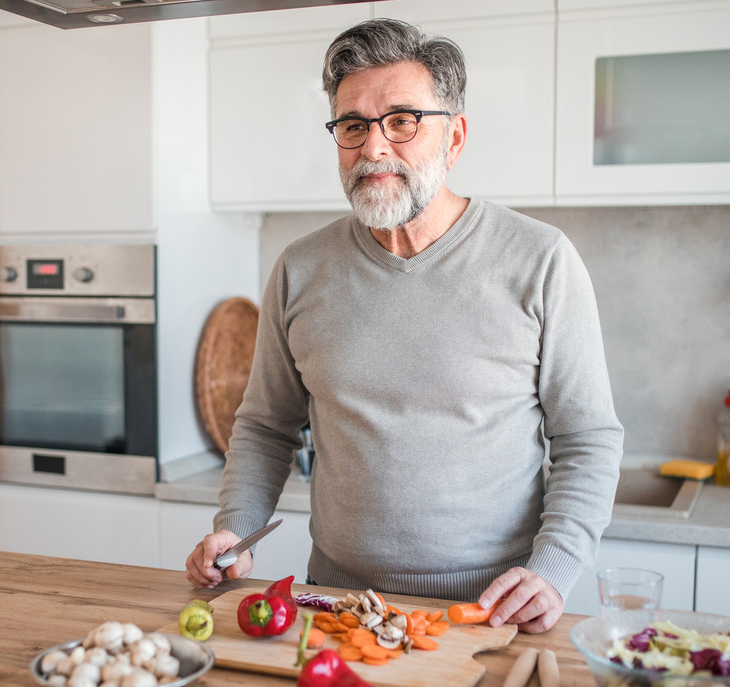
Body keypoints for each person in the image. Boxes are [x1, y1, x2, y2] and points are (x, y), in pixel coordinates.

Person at [184, 17, 623, 634]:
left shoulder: (541, 260)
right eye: (353, 126)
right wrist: (233, 526)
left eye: (402, 121)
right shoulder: (300, 269)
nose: (373, 148)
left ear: (455, 136)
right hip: (335, 606)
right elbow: (263, 426)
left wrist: (553, 569)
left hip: (489, 613)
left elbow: (589, 439)